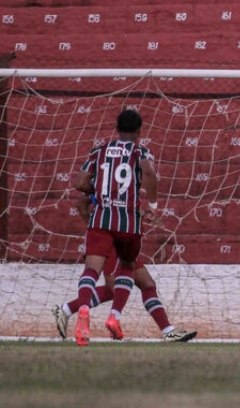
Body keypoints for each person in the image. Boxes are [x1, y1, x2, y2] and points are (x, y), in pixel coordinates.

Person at [52, 195, 197, 343]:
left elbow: (122, 206)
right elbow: (82, 203)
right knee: (115, 288)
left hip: (124, 240)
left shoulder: (123, 182)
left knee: (146, 285)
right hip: (111, 242)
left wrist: (143, 214)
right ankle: (81, 312)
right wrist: (95, 227)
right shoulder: (104, 179)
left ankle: (168, 331)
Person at [71, 109, 157, 346]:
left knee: (91, 271)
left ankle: (84, 309)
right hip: (128, 222)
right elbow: (148, 172)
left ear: (117, 128)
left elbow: (80, 183)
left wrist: (99, 190)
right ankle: (114, 317)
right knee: (128, 266)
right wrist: (153, 204)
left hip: (100, 220)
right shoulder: (141, 151)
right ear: (139, 131)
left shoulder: (99, 150)